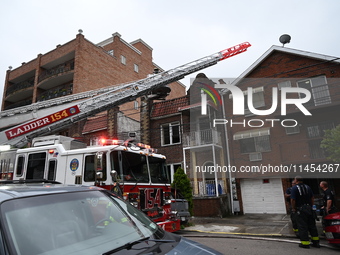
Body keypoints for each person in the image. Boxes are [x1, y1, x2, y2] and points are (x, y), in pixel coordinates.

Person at [290, 176, 320, 248]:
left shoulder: (294, 188)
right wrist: (311, 206)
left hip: (301, 209)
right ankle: (316, 242)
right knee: (312, 225)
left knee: (302, 226)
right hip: (309, 208)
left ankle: (305, 243)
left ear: (296, 180)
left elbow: (293, 200)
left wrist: (294, 208)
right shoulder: (308, 187)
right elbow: (312, 198)